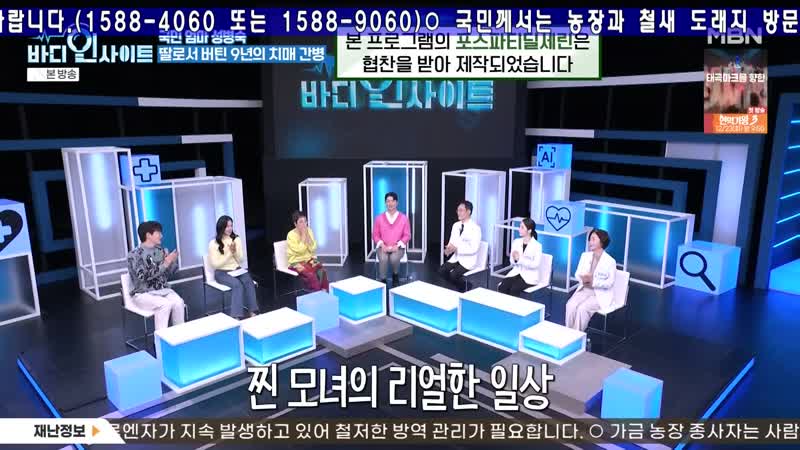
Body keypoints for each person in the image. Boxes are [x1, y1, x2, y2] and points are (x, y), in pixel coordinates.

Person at [126, 221, 185, 331]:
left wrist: (172, 262)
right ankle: (160, 339)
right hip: (143, 293)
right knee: (164, 305)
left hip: (161, 290)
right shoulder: (134, 254)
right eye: (158, 233)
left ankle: (179, 336)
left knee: (178, 303)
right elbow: (143, 277)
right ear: (148, 235)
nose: (161, 236)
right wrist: (166, 263)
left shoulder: (158, 251)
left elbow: (166, 274)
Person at [207, 215, 259, 320]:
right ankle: (236, 316)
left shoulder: (236, 239)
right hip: (221, 272)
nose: (230, 228)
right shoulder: (213, 243)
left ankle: (253, 312)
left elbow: (240, 260)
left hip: (236, 269)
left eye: (231, 226)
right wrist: (229, 254)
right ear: (221, 227)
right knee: (237, 285)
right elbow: (215, 264)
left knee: (248, 281)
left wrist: (234, 252)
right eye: (227, 226)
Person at [565, 228, 617, 332]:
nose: (590, 242)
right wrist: (583, 278)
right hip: (585, 289)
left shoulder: (610, 261)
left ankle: (577, 335)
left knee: (582, 309)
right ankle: (568, 332)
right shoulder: (585, 256)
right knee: (570, 305)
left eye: (593, 239)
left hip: (600, 294)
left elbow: (609, 283)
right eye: (589, 239)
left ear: (601, 241)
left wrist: (594, 282)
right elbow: (577, 273)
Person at [439, 200, 482, 291]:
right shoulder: (456, 225)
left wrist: (457, 249)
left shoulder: (475, 228)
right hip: (456, 257)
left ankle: (462, 288)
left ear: (468, 212)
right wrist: (448, 249)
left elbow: (474, 249)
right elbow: (452, 241)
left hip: (469, 260)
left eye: (461, 210)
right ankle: (463, 286)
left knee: (453, 275)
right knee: (442, 270)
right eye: (458, 210)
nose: (458, 212)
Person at [372, 192, 411, 286]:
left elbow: (407, 235)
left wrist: (397, 246)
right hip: (383, 246)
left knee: (394, 258)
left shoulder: (404, 218)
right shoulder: (379, 218)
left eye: (392, 201)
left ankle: (395, 275)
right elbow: (375, 235)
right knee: (383, 258)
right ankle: (383, 280)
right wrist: (382, 245)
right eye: (388, 201)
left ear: (396, 202)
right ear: (385, 203)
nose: (390, 203)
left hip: (398, 247)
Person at [497, 218, 542, 297]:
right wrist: (515, 259)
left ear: (529, 231)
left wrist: (520, 259)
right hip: (517, 272)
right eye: (519, 227)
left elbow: (535, 264)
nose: (519, 229)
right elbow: (512, 261)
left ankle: (512, 305)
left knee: (514, 289)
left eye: (522, 227)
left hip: (530, 276)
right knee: (502, 287)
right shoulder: (516, 242)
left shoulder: (537, 246)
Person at [286, 210, 329, 292]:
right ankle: (317, 294)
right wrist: (303, 236)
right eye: (301, 222)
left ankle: (325, 292)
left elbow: (313, 248)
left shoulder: (309, 230)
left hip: (309, 259)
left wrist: (308, 237)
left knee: (322, 270)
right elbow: (300, 251)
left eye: (305, 221)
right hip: (295, 262)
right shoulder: (291, 235)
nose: (304, 224)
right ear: (295, 224)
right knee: (311, 275)